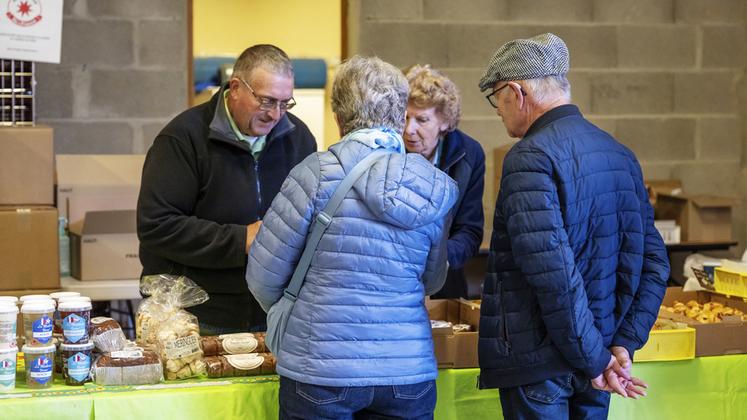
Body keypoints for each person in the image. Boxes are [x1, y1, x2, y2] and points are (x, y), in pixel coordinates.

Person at [246, 55, 458, 419]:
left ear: (339, 116)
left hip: (321, 370)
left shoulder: (313, 175)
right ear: (397, 114)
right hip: (407, 370)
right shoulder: (429, 185)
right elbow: (433, 278)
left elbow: (263, 277)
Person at [476, 33, 670, 419]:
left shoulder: (529, 158)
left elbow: (555, 279)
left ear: (517, 91)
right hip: (596, 358)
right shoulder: (620, 154)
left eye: (495, 96)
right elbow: (656, 264)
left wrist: (598, 359)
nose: (497, 110)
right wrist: (621, 345)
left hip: (543, 365)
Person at [137, 44, 317, 335]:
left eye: (286, 103)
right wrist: (240, 239)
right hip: (196, 317)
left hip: (273, 313)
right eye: (267, 101)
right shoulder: (183, 139)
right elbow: (156, 226)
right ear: (235, 88)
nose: (276, 115)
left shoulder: (299, 139)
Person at [404, 65, 485, 299]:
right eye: (405, 117)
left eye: (422, 119)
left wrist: (439, 260)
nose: (409, 130)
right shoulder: (387, 148)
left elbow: (469, 230)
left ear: (445, 122)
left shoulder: (469, 154)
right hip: (392, 279)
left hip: (444, 282)